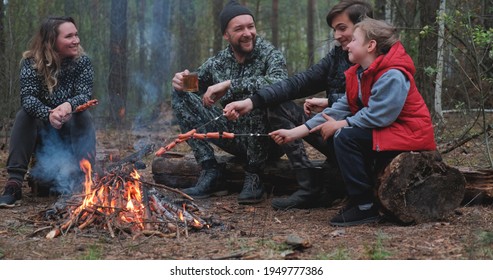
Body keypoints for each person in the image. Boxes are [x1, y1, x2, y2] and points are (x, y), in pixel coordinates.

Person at [269, 18, 437, 226]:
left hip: (410, 134)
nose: (347, 44)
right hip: (390, 131)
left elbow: (380, 115)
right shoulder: (361, 73)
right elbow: (341, 108)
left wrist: (341, 125)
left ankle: (364, 205)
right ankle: (360, 196)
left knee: (343, 136)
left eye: (354, 40)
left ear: (371, 45)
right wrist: (296, 132)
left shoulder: (392, 74)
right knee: (338, 135)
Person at [223, 0, 373, 210]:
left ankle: (353, 196)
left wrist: (330, 100)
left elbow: (370, 103)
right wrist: (252, 101)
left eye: (342, 28)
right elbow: (298, 83)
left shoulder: (379, 59)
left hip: (359, 139)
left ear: (363, 28)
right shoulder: (338, 56)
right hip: (331, 129)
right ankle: (308, 185)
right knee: (276, 104)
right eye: (334, 30)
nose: (337, 36)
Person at [171, 0, 287, 204]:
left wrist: (229, 85)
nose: (248, 33)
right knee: (180, 96)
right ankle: (210, 169)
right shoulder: (219, 61)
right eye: (239, 28)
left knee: (254, 99)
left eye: (251, 26)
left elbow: (280, 82)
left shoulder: (269, 54)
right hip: (234, 135)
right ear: (226, 35)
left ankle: (254, 173)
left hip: (270, 140)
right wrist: (181, 81)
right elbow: (195, 85)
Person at [0, 16, 96, 208]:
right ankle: (14, 183)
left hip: (69, 136)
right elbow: (28, 98)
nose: (76, 40)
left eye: (76, 35)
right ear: (52, 41)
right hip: (42, 136)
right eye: (69, 36)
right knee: (24, 114)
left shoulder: (83, 62)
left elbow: (85, 95)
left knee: (83, 114)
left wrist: (68, 106)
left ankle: (86, 177)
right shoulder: (31, 62)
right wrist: (48, 113)